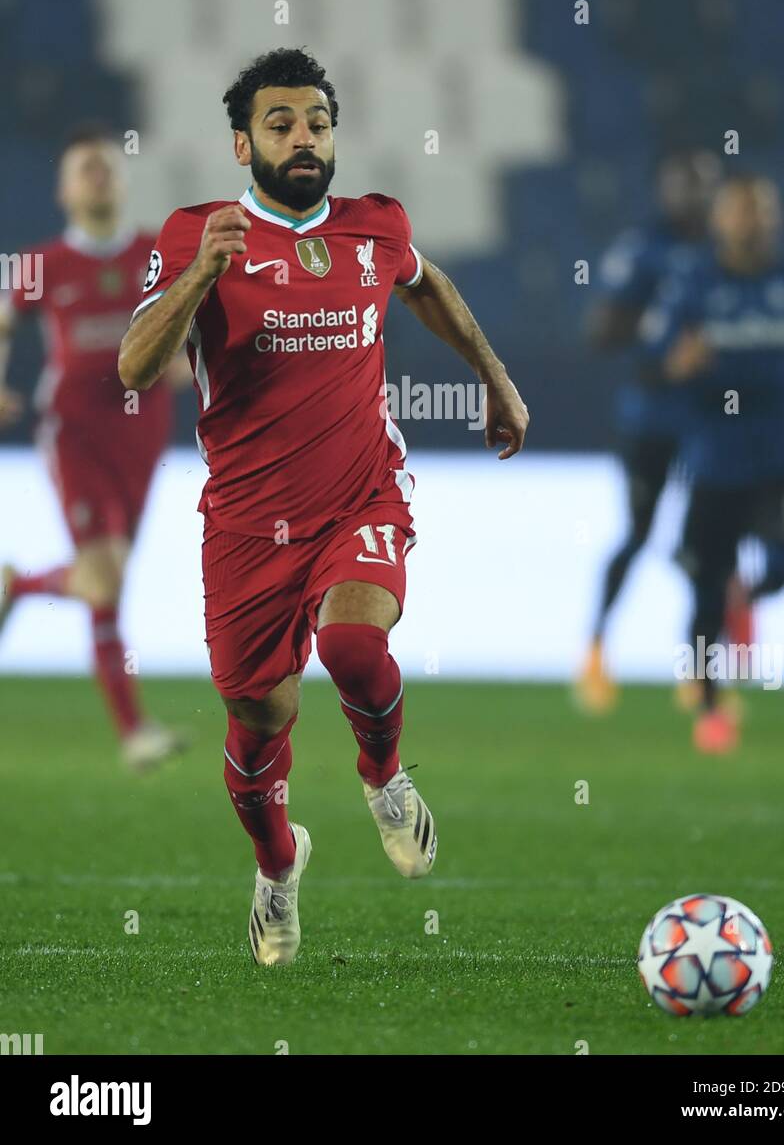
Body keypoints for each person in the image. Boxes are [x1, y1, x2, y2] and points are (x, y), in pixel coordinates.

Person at [117, 48, 529, 966]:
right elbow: (135, 367)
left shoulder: (375, 225)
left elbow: (428, 285)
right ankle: (277, 866)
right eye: (281, 124)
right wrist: (197, 277)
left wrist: (493, 379)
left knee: (351, 645)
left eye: (318, 122)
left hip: (360, 497)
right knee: (256, 723)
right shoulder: (195, 233)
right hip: (244, 525)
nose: (304, 139)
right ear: (242, 144)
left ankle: (382, 775)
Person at [646, 174, 784, 752]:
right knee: (703, 584)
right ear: (720, 220)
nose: (755, 220)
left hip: (782, 454)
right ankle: (711, 706)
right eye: (742, 210)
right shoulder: (693, 281)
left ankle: (751, 595)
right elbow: (655, 358)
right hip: (715, 459)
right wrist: (678, 364)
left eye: (762, 209)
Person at [0, 127, 189, 769]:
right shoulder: (41, 263)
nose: (98, 176)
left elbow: (191, 329)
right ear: (64, 190)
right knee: (105, 579)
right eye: (85, 168)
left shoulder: (158, 254)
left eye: (107, 166)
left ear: (125, 180)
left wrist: (190, 363)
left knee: (104, 581)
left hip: (141, 435)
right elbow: (3, 319)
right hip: (75, 430)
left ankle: (19, 585)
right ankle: (135, 732)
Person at [579, 150, 721, 710]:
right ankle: (594, 649)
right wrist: (660, 340)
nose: (692, 196)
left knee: (709, 547)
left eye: (702, 184)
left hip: (715, 422)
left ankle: (701, 674)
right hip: (654, 418)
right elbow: (600, 330)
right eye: (681, 184)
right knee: (639, 534)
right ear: (664, 190)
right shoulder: (642, 251)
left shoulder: (727, 253)